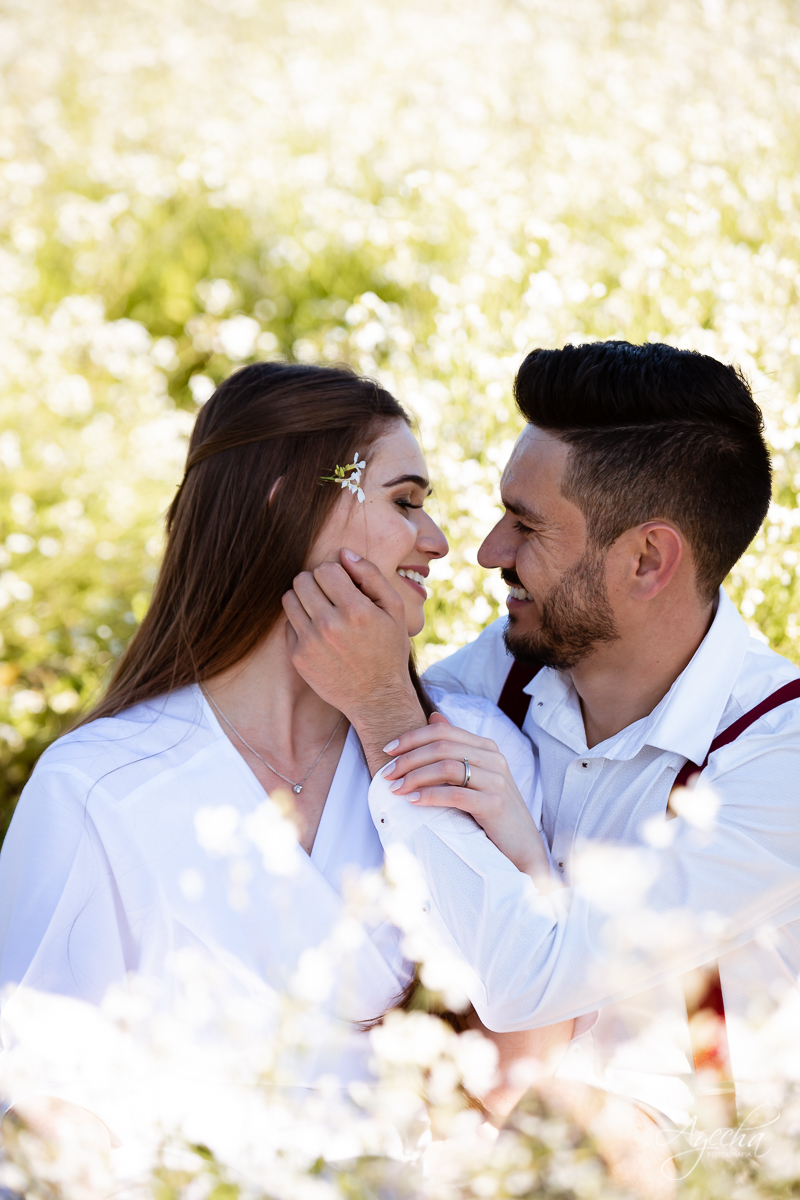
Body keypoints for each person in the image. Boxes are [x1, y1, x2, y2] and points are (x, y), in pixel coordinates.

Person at [0, 361, 573, 1155]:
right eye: (405, 501)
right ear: (286, 503)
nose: (439, 542)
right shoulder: (97, 784)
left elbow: (526, 1072)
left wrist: (518, 849)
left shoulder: (479, 750)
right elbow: (41, 1105)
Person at [280, 340, 800, 1130]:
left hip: (702, 1160)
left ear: (648, 559)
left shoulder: (777, 757)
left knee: (576, 1126)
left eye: (526, 526)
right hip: (482, 1135)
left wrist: (387, 711)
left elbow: (536, 983)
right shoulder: (504, 672)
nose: (488, 551)